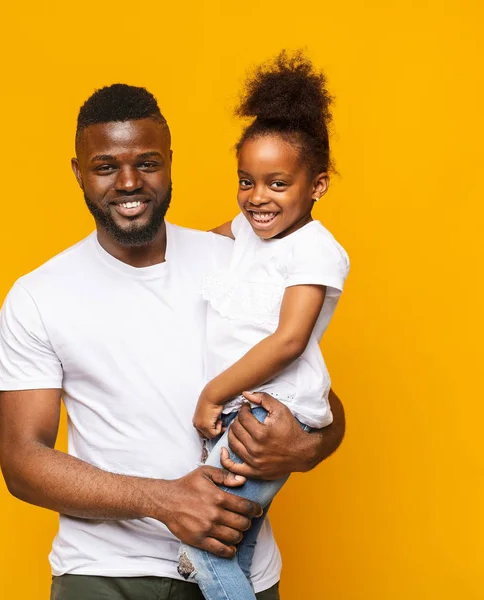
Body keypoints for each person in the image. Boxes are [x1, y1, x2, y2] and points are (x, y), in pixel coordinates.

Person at [0, 82, 346, 600]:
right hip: (106, 576)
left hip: (244, 572)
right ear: (78, 172)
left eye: (149, 163)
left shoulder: (236, 259)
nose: (129, 182)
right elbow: (22, 460)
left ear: (172, 163)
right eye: (107, 166)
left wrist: (304, 446)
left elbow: (316, 399)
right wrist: (163, 501)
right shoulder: (38, 297)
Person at [177, 51, 349, 600]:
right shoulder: (249, 232)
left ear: (317, 185)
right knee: (234, 550)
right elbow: (194, 247)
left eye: (277, 183)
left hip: (266, 411)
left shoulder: (316, 251)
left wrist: (213, 393)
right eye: (246, 181)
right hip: (242, 404)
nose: (257, 197)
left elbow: (290, 340)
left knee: (205, 547)